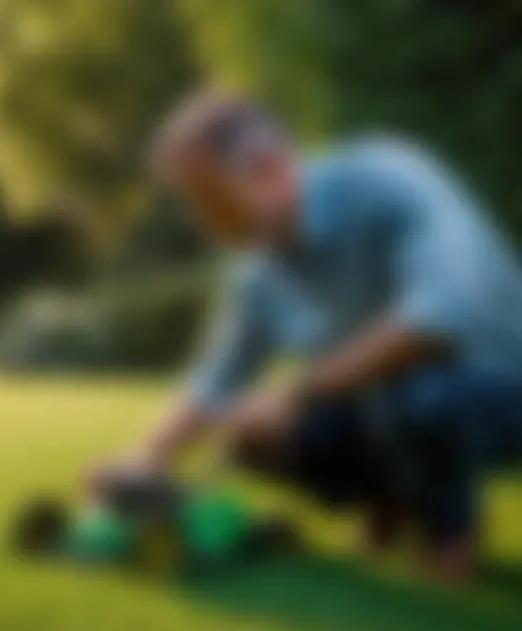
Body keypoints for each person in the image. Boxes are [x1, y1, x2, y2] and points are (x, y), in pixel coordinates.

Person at [89, 89, 522, 584]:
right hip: (395, 405)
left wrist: (298, 389)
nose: (200, 223)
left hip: (502, 379)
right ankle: (393, 499)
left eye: (206, 199)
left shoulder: (388, 176)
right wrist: (145, 459)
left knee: (416, 389)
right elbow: (218, 380)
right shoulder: (256, 270)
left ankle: (450, 533)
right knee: (254, 432)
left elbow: (444, 318)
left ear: (268, 169)